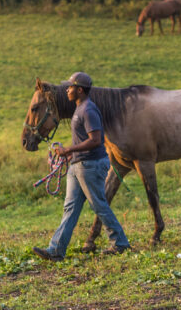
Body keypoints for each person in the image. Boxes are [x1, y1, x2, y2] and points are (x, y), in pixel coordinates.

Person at [33, 72, 131, 261]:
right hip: (78, 164)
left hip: (90, 165)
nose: (67, 90)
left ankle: (120, 243)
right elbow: (84, 139)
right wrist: (70, 153)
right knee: (70, 207)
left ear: (79, 90)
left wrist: (69, 148)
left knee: (99, 205)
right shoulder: (79, 109)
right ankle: (56, 250)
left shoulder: (88, 110)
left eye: (70, 87)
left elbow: (95, 140)